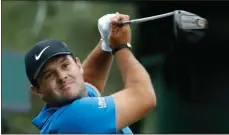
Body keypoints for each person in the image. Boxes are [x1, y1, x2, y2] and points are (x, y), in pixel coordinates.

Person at [24, 12, 156, 134]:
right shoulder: (74, 117)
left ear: (78, 64)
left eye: (65, 65)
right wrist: (121, 47)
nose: (62, 76)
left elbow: (89, 84)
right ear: (37, 90)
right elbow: (143, 97)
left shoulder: (60, 109)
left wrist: (106, 42)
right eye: (49, 75)